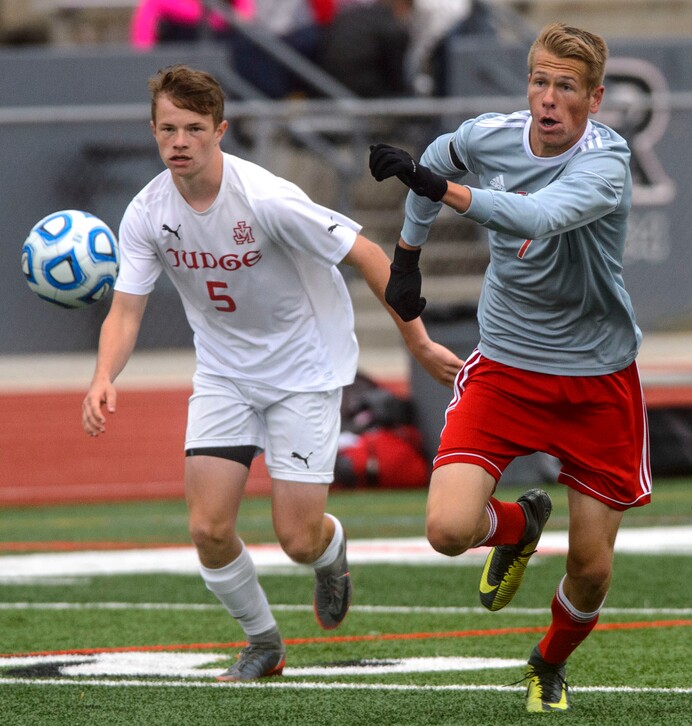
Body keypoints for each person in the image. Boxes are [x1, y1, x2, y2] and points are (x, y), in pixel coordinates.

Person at [81, 64, 461, 682]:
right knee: (207, 528)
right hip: (225, 373)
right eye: (168, 128)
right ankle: (264, 644)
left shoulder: (266, 198)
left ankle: (330, 554)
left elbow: (368, 254)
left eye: (194, 128)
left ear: (220, 131)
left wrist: (415, 342)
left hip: (304, 371)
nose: (179, 141)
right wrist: (103, 376)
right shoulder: (146, 213)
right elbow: (126, 311)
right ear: (152, 132)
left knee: (297, 537)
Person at [369, 22, 651, 712]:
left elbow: (536, 217)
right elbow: (437, 153)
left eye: (566, 87)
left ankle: (547, 662)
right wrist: (407, 255)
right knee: (446, 531)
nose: (549, 99)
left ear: (595, 98)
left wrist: (442, 191)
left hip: (597, 378)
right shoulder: (493, 134)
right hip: (505, 366)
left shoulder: (605, 163)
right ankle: (519, 527)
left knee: (590, 569)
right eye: (540, 82)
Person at [317, 0, 414, 99]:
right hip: (364, 94)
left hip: (327, 86)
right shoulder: (392, 27)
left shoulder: (350, 15)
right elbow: (397, 79)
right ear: (403, 6)